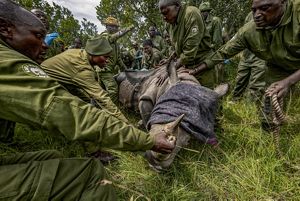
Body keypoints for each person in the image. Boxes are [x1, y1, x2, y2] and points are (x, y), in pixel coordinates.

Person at [0, 0, 174, 199]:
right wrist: (138, 135)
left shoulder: (82, 58)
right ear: (6, 29)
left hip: (60, 86)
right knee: (89, 165)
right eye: (38, 36)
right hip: (50, 89)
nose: (44, 45)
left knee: (54, 156)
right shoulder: (81, 69)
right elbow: (85, 108)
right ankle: (94, 152)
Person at [193, 0, 300, 128]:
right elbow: (222, 53)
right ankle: (268, 131)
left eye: (264, 8)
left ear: (283, 2)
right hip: (278, 66)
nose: (257, 15)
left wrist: (288, 82)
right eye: (254, 10)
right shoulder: (249, 31)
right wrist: (196, 69)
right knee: (270, 99)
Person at [41, 37, 128, 123]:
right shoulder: (82, 68)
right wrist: (127, 124)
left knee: (88, 104)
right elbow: (102, 98)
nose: (107, 61)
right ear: (94, 53)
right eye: (105, 57)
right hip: (42, 85)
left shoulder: (81, 53)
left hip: (57, 81)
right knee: (75, 113)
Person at [158, 0, 216, 89]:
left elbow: (189, 52)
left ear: (177, 5)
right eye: (162, 14)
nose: (164, 17)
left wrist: (170, 71)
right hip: (187, 67)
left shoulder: (191, 14)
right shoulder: (172, 24)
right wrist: (169, 59)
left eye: (166, 12)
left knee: (207, 98)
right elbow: (177, 47)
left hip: (202, 66)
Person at [231, 12, 267, 102]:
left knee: (256, 84)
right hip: (247, 55)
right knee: (240, 79)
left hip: (260, 56)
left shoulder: (270, 13)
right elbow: (243, 32)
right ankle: (235, 100)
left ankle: (250, 106)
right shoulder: (250, 15)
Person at [97, 16, 129, 102]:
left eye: (115, 26)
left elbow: (118, 58)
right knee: (113, 90)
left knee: (100, 91)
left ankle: (97, 105)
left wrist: (126, 69)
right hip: (104, 69)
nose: (114, 28)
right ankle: (110, 110)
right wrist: (122, 32)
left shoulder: (116, 43)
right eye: (112, 26)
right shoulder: (103, 36)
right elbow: (110, 39)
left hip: (109, 70)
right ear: (107, 26)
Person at [199, 1, 224, 83]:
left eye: (204, 11)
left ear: (208, 12)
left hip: (214, 52)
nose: (202, 13)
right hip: (204, 54)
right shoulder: (200, 22)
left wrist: (217, 57)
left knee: (216, 77)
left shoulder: (215, 21)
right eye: (201, 12)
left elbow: (217, 41)